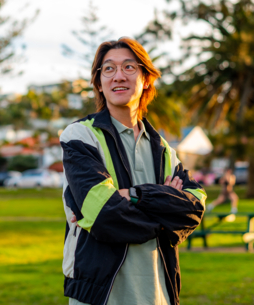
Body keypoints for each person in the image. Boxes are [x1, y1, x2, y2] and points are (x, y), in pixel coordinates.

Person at [60, 37, 207, 305]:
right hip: (101, 298)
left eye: (129, 67)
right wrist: (164, 210)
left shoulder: (163, 149)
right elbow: (104, 216)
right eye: (108, 69)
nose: (118, 76)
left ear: (146, 79)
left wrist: (134, 195)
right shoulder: (80, 137)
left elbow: (195, 207)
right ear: (99, 83)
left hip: (158, 293)